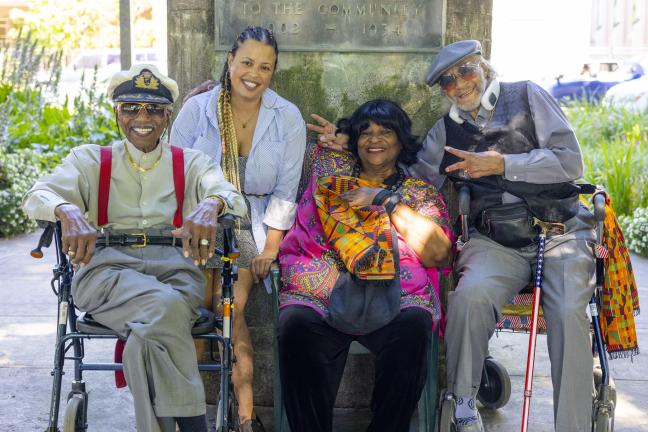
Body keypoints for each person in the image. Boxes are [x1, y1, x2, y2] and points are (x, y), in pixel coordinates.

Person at [311, 40, 596, 432]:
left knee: (567, 313)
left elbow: (570, 161)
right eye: (447, 80)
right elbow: (408, 171)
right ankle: (463, 404)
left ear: (483, 66)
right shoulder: (446, 130)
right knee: (466, 297)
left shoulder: (527, 95)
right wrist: (354, 144)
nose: (458, 83)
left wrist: (502, 164)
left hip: (561, 232)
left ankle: (574, 426)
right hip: (496, 240)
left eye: (465, 71)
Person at [23, 64, 246, 432]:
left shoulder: (190, 163)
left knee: (146, 337)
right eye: (130, 108)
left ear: (168, 117)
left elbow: (231, 196)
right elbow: (37, 195)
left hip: (176, 272)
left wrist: (212, 204)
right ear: (116, 113)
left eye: (154, 110)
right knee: (167, 307)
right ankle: (194, 425)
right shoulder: (89, 160)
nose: (142, 118)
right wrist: (66, 210)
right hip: (106, 273)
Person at [277, 99, 453, 432]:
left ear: (401, 140)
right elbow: (301, 236)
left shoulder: (419, 193)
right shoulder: (329, 177)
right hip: (324, 293)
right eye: (366, 132)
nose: (375, 139)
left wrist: (384, 200)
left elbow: (440, 255)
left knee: (414, 326)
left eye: (386, 132)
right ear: (354, 140)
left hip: (398, 297)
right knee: (295, 324)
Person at [170, 26, 306, 431]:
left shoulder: (287, 117)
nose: (254, 73)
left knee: (230, 308)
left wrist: (270, 250)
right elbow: (176, 173)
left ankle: (245, 419)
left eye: (265, 67)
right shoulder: (198, 110)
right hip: (197, 221)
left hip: (250, 225)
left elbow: (286, 192)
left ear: (273, 72)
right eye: (247, 62)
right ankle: (191, 414)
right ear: (230, 60)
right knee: (193, 312)